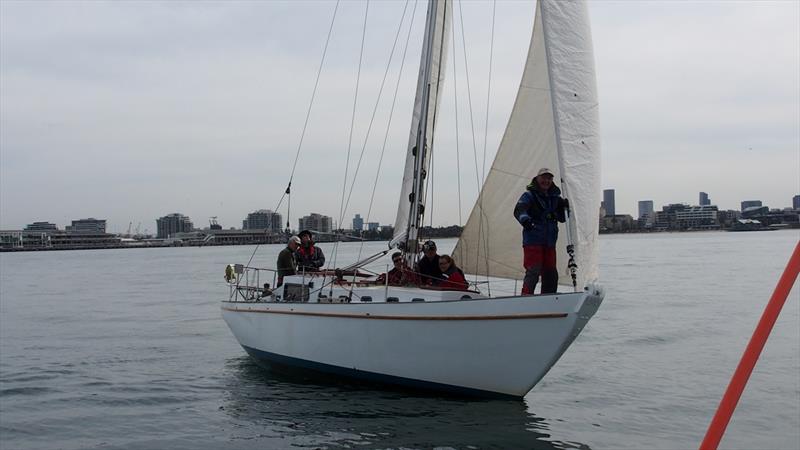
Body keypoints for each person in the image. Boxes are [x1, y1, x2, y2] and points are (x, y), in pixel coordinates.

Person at [513, 167, 568, 295]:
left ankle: (548, 299)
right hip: (533, 240)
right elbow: (519, 210)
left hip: (550, 242)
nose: (546, 181)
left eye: (549, 178)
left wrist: (565, 207)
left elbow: (562, 218)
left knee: (551, 273)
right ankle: (526, 298)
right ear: (537, 179)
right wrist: (526, 220)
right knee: (534, 271)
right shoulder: (529, 195)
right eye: (543, 178)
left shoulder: (556, 198)